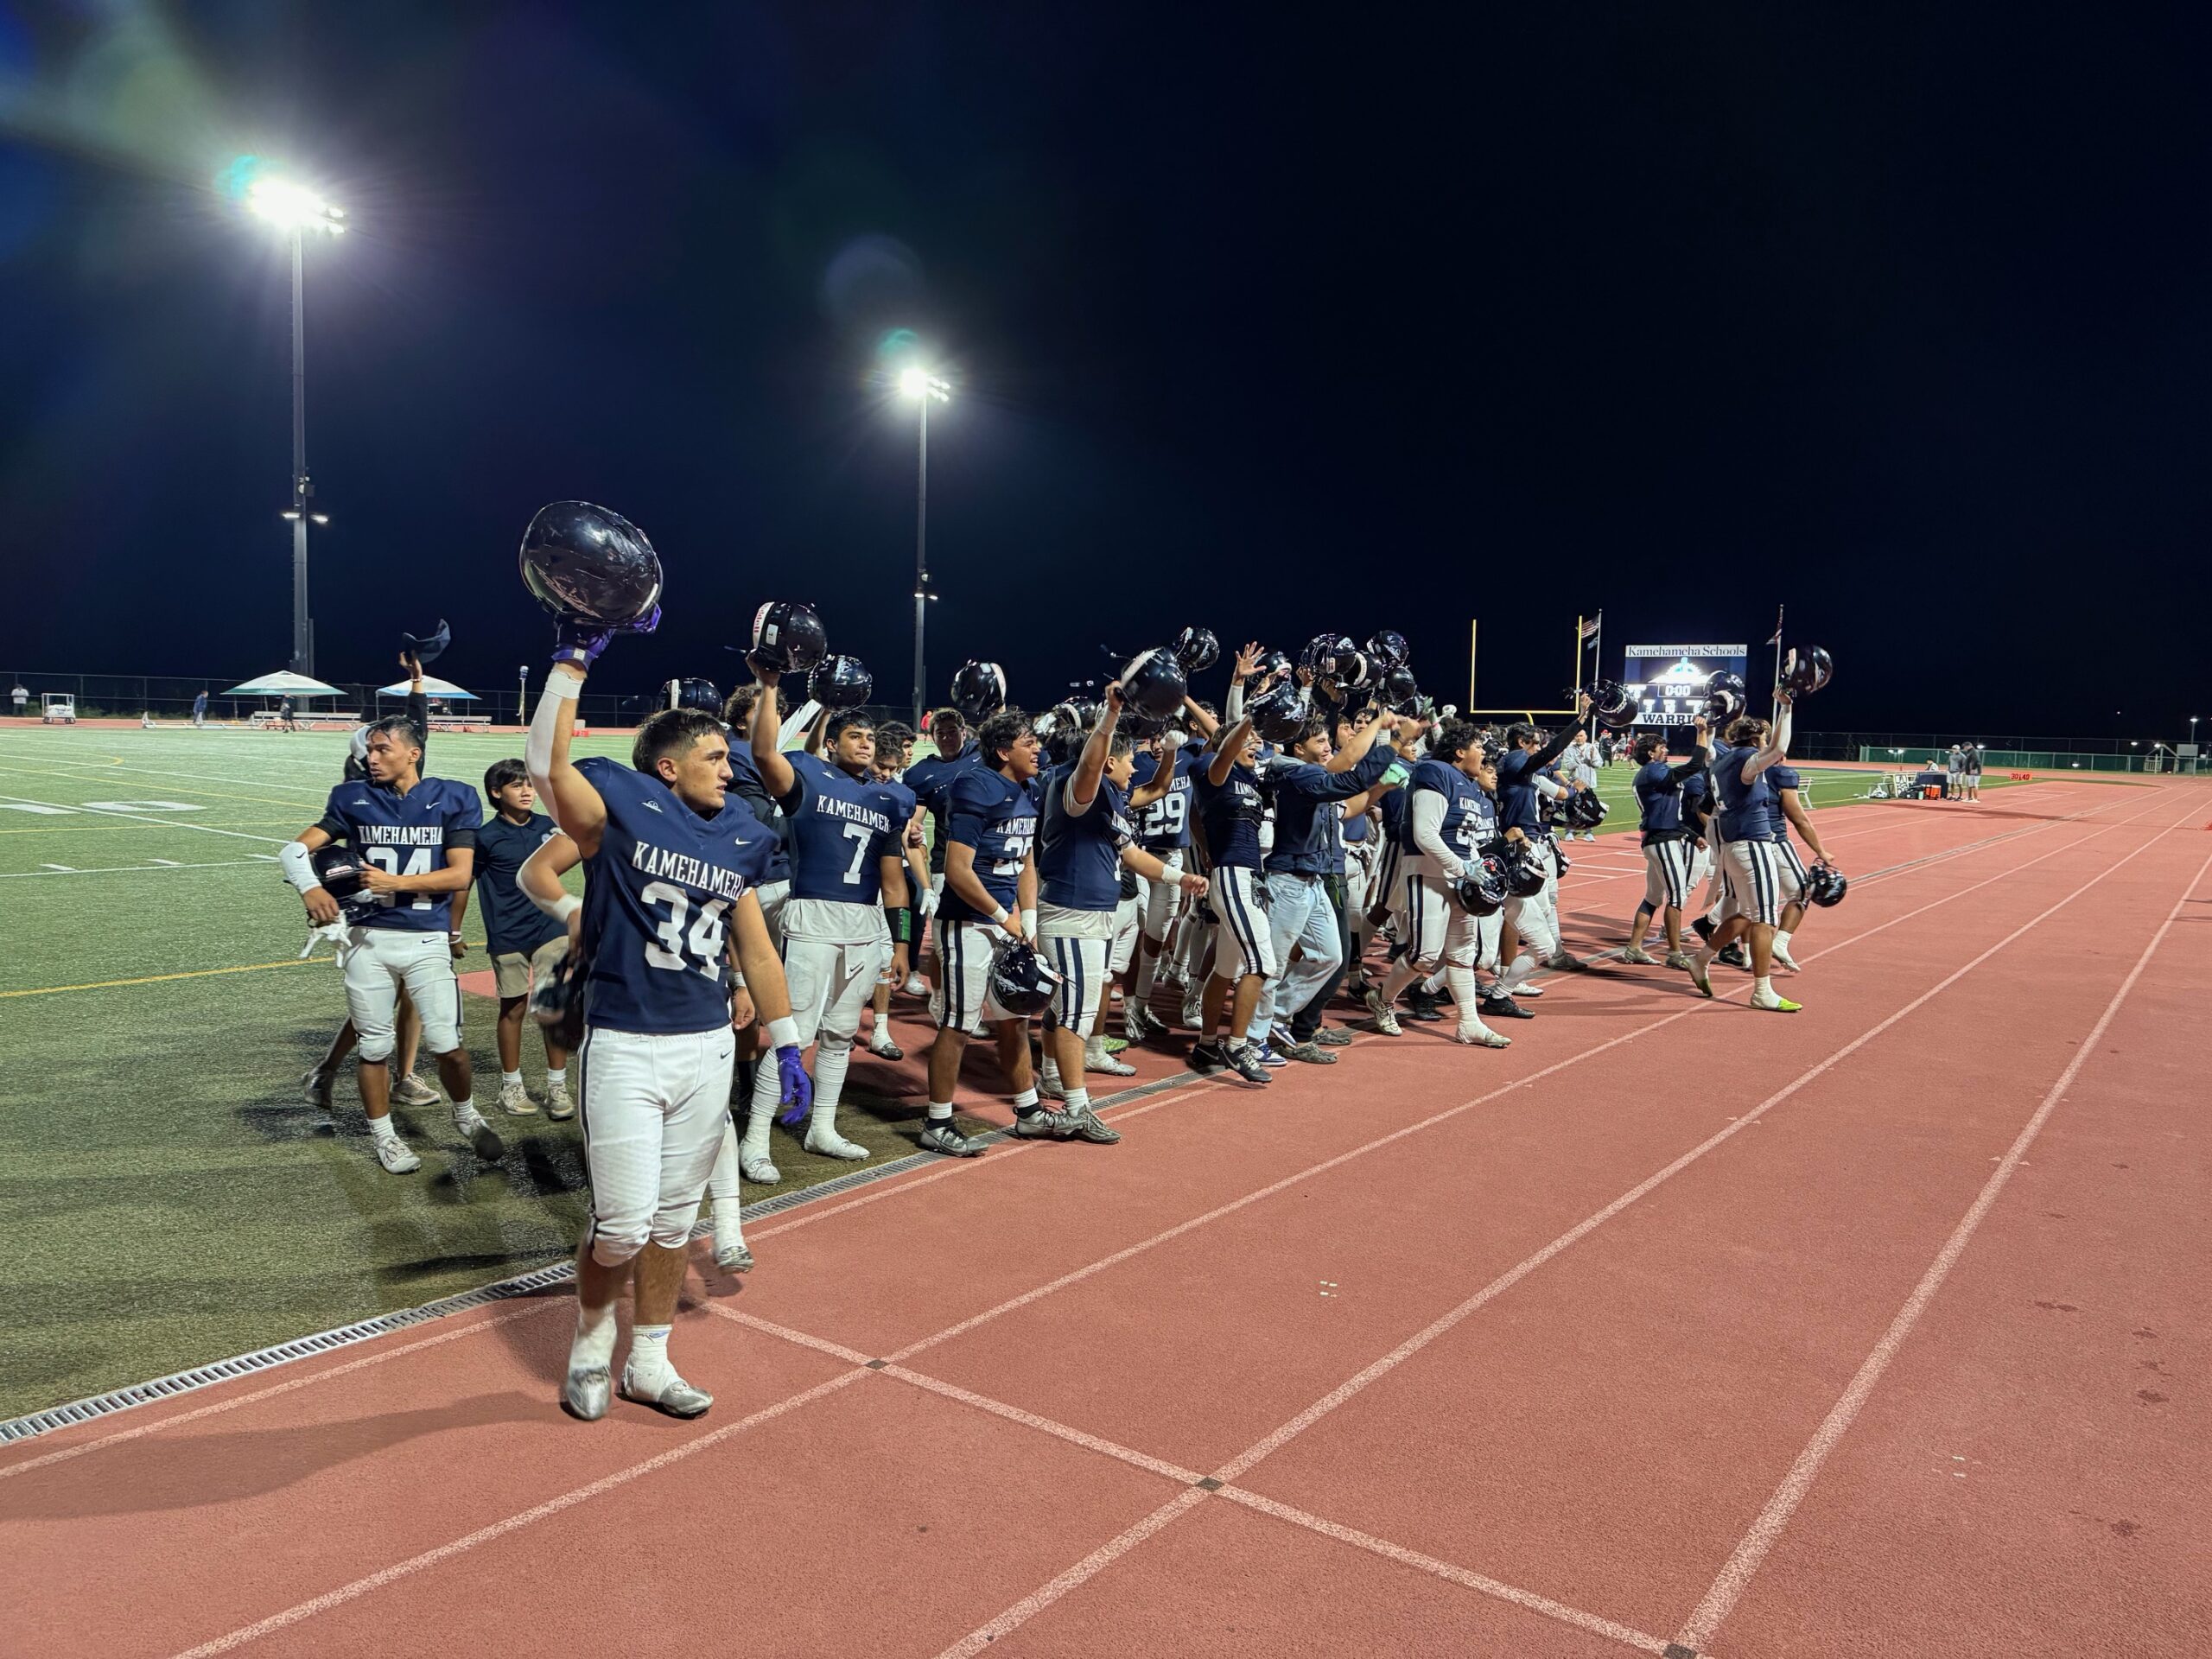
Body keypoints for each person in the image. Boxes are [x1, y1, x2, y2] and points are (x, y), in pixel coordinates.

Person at [524, 635, 809, 1421]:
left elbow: (755, 948)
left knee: (676, 1225)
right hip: (624, 1045)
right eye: (714, 756)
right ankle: (590, 1340)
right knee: (619, 1227)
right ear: (668, 766)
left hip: (707, 1046)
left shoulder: (742, 836)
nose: (730, 767)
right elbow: (549, 766)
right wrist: (570, 665)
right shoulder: (619, 807)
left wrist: (788, 1047)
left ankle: (648, 1360)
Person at [278, 715, 500, 1173]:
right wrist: (310, 888)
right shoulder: (352, 796)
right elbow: (294, 851)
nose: (371, 757)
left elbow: (460, 875)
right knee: (374, 1048)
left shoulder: (454, 796)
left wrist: (393, 882)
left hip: (425, 937)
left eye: (382, 749)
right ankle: (385, 1137)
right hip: (367, 940)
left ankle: (465, 1113)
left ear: (413, 753)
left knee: (448, 1044)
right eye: (370, 750)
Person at [730, 686, 909, 1180]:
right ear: (831, 742)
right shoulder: (810, 776)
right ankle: (756, 1138)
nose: (867, 744)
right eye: (855, 736)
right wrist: (778, 689)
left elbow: (895, 884)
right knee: (795, 1032)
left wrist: (901, 942)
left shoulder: (887, 797)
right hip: (812, 915)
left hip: (866, 923)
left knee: (841, 1035)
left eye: (872, 737)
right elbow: (764, 752)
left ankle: (822, 1127)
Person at [1032, 684, 1203, 1138]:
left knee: (1069, 1007)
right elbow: (1091, 762)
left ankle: (1051, 1074)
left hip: (1092, 912)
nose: (1134, 765)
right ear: (1109, 760)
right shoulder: (1080, 785)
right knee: (1076, 1012)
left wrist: (1178, 878)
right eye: (1127, 759)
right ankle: (1075, 1106)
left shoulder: (1111, 797)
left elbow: (1129, 852)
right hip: (1071, 913)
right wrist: (1110, 715)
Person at [304, 654, 438, 1111]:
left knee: (411, 992)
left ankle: (401, 1074)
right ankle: (334, 1069)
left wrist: (418, 683)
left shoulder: (403, 772)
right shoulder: (362, 787)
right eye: (377, 748)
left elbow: (416, 732)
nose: (383, 752)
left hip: (410, 894)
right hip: (370, 899)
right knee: (380, 1006)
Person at [921, 707, 1056, 1155]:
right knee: (959, 1024)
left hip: (1004, 920)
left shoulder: (1030, 788)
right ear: (1003, 751)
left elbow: (1026, 859)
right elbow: (958, 871)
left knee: (1016, 1018)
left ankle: (1029, 1109)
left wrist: (1029, 920)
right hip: (967, 923)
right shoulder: (975, 784)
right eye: (1028, 742)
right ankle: (937, 1121)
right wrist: (1005, 917)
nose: (1037, 749)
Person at [1255, 708, 1399, 1061]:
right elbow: (1354, 777)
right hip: (1287, 878)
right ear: (1298, 748)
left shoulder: (1311, 776)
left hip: (1314, 878)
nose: (1327, 747)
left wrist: (1382, 783)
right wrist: (1391, 737)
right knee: (1269, 966)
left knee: (1331, 956)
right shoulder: (1295, 774)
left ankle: (1276, 1016)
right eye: (1319, 741)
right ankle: (1251, 1038)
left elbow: (1347, 803)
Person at [1364, 717, 1512, 1046]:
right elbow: (1425, 834)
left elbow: (1467, 837)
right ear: (1459, 751)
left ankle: (1469, 1023)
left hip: (1459, 876)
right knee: (1424, 955)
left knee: (1462, 953)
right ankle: (1383, 999)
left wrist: (1480, 867)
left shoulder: (1470, 783)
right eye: (1477, 747)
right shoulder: (1436, 772)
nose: (1483, 752)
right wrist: (1463, 867)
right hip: (1428, 872)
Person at [450, 758, 573, 1119]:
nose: (526, 792)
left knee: (553, 1008)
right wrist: (452, 931)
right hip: (508, 934)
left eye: (529, 785)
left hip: (552, 931)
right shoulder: (484, 838)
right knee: (514, 1007)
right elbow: (463, 884)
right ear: (496, 792)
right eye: (517, 785)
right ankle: (511, 1085)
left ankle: (557, 1086)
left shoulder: (552, 829)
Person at [1688, 696, 1802, 1011]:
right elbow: (1778, 749)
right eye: (1761, 739)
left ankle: (1700, 960)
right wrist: (1787, 709)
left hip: (1732, 846)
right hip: (1751, 845)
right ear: (1754, 739)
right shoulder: (1745, 760)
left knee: (1748, 914)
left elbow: (1709, 749)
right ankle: (1762, 991)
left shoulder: (1720, 760)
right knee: (1765, 920)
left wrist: (1707, 725)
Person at [1622, 719, 1710, 965]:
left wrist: (1693, 836)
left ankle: (1634, 948)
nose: (1667, 751)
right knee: (1678, 896)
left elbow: (1668, 814)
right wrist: (1701, 732)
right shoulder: (1653, 770)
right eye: (1662, 747)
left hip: (1657, 837)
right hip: (1663, 841)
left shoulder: (1650, 773)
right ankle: (1675, 953)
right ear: (1651, 753)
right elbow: (1695, 764)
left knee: (1653, 897)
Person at [1764, 757, 1837, 973]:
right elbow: (1799, 819)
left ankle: (1714, 946)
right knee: (1803, 891)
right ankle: (1780, 942)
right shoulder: (1779, 774)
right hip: (1772, 840)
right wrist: (1820, 851)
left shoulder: (1730, 766)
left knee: (1744, 901)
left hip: (1734, 842)